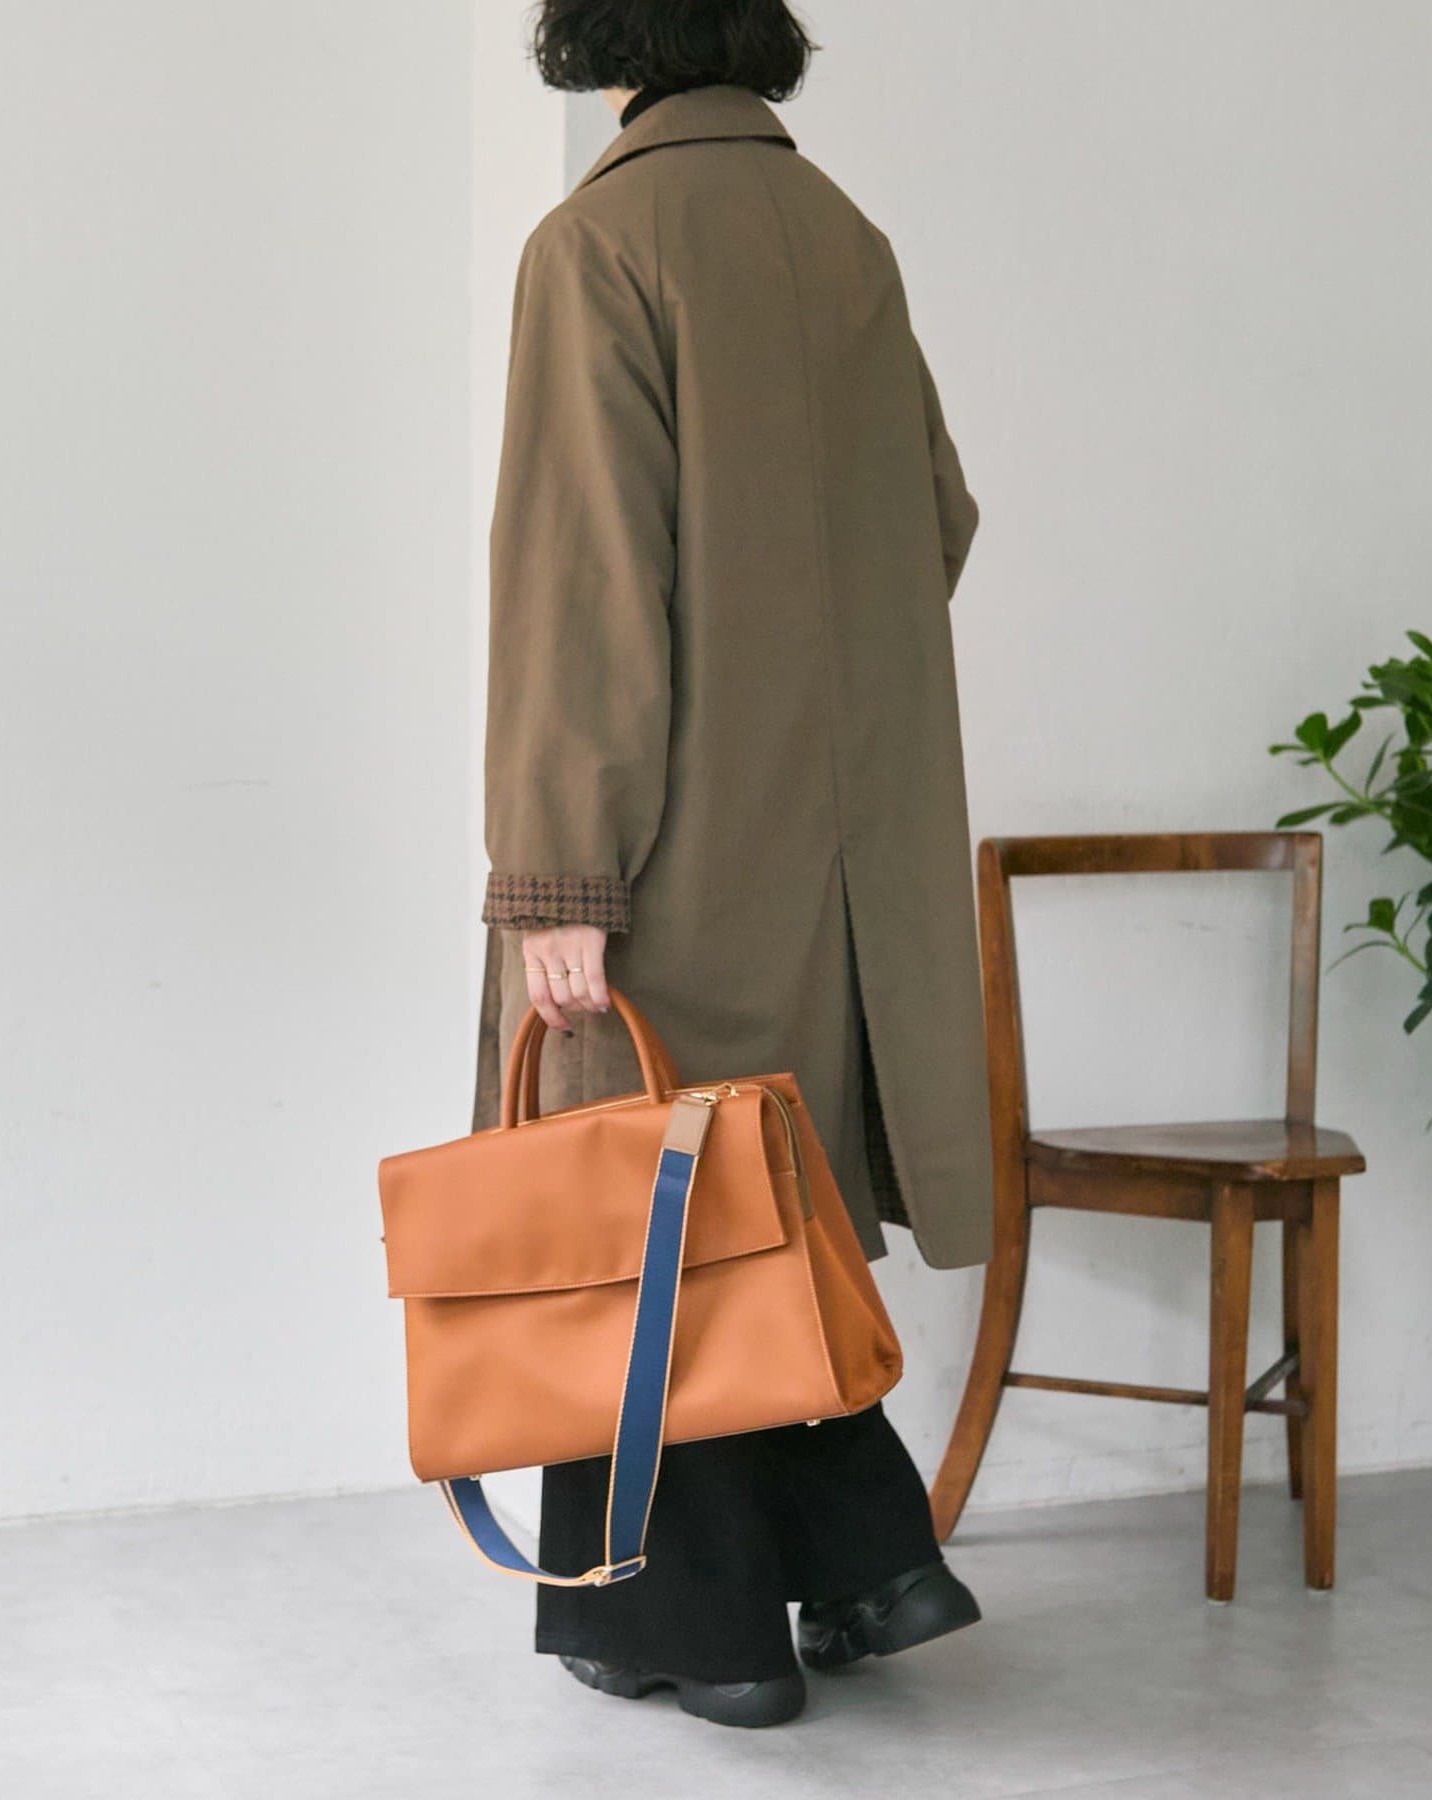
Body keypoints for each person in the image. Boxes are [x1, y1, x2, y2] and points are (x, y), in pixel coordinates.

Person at [472, 0, 993, 1729]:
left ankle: (711, 1639)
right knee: (769, 1203)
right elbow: (937, 516)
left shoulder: (600, 241)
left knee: (650, 1209)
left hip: (675, 840)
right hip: (845, 852)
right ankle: (872, 1562)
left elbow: (585, 582)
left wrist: (562, 878)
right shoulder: (841, 235)